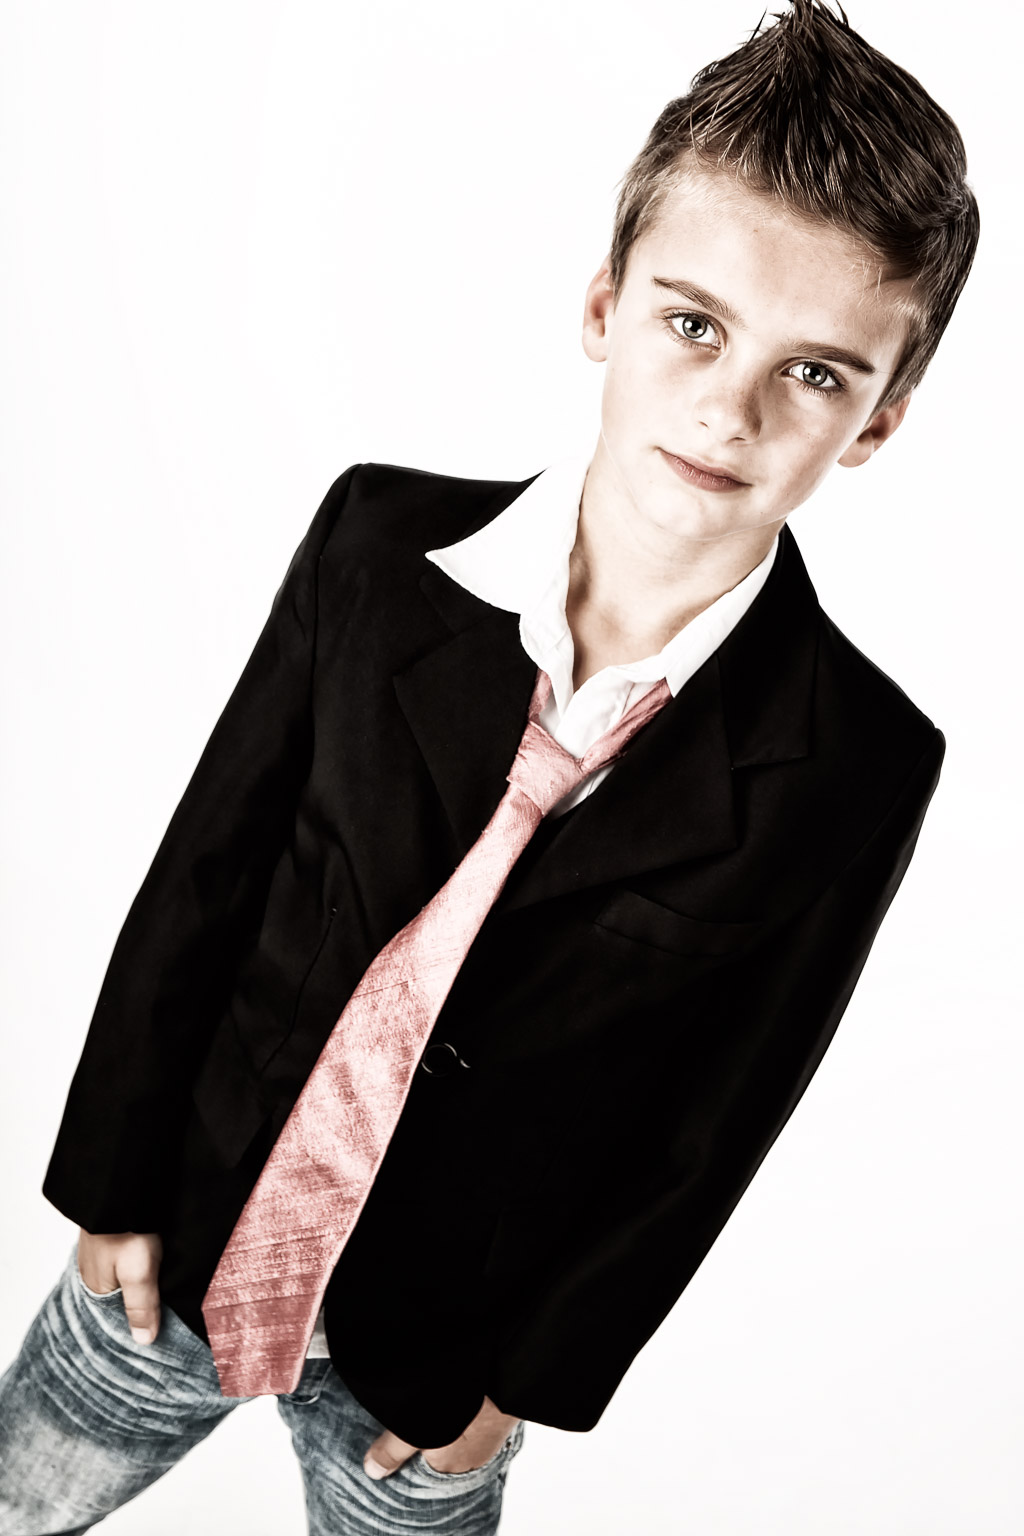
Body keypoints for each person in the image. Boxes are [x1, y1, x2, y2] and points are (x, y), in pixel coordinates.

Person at [0, 3, 979, 1533]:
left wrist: (518, 1390)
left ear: (880, 420)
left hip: (432, 1375)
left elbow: (712, 1126)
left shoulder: (858, 762)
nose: (729, 408)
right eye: (694, 324)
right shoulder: (377, 545)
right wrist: (109, 1182)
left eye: (815, 373)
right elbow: (209, 869)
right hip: (176, 1238)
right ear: (603, 304)